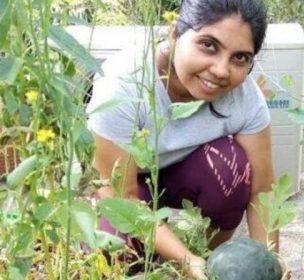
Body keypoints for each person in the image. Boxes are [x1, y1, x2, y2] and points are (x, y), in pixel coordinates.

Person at [86, 0, 280, 278]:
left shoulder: (246, 98)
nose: (221, 70)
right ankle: (177, 260)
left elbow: (262, 192)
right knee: (116, 250)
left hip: (185, 175)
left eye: (240, 58)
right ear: (175, 33)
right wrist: (184, 259)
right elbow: (120, 194)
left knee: (231, 168)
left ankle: (209, 261)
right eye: (208, 45)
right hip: (131, 184)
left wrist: (270, 263)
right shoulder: (124, 84)